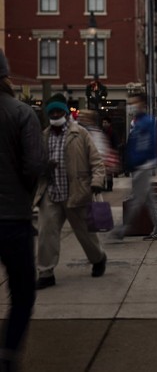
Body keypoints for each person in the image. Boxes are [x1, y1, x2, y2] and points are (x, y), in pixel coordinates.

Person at [0, 50, 47, 372]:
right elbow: (34, 166)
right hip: (11, 218)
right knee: (22, 293)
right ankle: (8, 355)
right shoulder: (20, 114)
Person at [33, 93, 108, 290]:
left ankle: (98, 258)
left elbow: (96, 161)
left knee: (86, 235)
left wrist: (97, 181)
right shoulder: (44, 136)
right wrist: (43, 167)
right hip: (51, 192)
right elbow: (36, 163)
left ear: (66, 113)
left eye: (59, 111)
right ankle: (46, 272)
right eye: (52, 111)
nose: (55, 114)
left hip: (77, 192)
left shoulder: (80, 133)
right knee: (46, 234)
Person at [111, 93, 157, 240]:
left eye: (133, 103)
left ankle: (123, 228)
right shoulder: (139, 122)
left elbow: (149, 143)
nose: (131, 105)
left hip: (143, 166)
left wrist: (147, 162)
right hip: (139, 165)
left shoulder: (146, 122)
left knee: (137, 199)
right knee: (148, 200)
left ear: (142, 104)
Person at [100, 116, 120, 191]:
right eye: (103, 122)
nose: (104, 124)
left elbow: (115, 144)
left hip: (110, 153)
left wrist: (114, 152)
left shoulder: (112, 132)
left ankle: (109, 186)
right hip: (103, 153)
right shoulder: (102, 132)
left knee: (109, 172)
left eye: (105, 122)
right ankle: (102, 185)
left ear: (109, 123)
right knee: (102, 171)